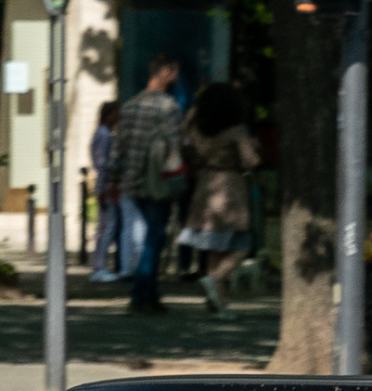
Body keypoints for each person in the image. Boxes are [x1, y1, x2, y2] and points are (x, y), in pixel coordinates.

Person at [109, 52, 186, 316]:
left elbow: (117, 150)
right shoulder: (169, 108)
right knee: (155, 237)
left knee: (152, 236)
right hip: (159, 182)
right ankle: (142, 295)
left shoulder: (129, 107)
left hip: (134, 182)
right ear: (165, 73)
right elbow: (177, 146)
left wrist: (114, 180)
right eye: (174, 72)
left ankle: (146, 294)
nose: (176, 78)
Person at [177, 83, 259, 315]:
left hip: (205, 186)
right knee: (243, 245)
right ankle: (214, 279)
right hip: (230, 188)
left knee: (213, 247)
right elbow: (250, 161)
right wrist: (254, 149)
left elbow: (187, 151)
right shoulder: (237, 130)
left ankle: (218, 302)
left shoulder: (198, 131)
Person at [89, 101, 122, 281]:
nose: (118, 117)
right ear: (108, 115)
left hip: (105, 184)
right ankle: (99, 267)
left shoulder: (105, 134)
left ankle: (100, 265)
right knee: (107, 227)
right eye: (116, 113)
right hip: (106, 185)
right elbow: (103, 164)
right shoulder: (104, 135)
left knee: (106, 227)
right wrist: (106, 187)